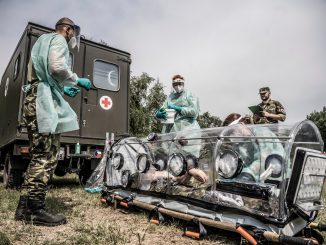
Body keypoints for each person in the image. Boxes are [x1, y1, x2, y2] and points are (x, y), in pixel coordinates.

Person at [15, 17, 92, 226]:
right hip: (42, 103)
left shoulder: (42, 41)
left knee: (38, 155)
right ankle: (35, 210)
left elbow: (44, 73)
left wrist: (61, 88)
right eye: (72, 33)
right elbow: (57, 67)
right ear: (67, 30)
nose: (73, 37)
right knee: (46, 156)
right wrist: (77, 80)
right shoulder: (59, 40)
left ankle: (24, 207)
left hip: (36, 98)